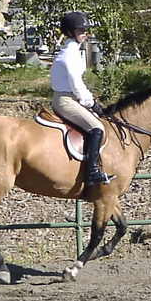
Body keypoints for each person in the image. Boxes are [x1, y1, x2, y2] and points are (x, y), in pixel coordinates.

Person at [50, 11, 115, 186]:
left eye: (85, 30)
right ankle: (92, 173)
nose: (85, 33)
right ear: (70, 32)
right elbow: (76, 84)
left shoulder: (73, 51)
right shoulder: (69, 55)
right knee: (97, 128)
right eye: (81, 30)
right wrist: (91, 103)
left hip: (71, 98)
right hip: (66, 100)